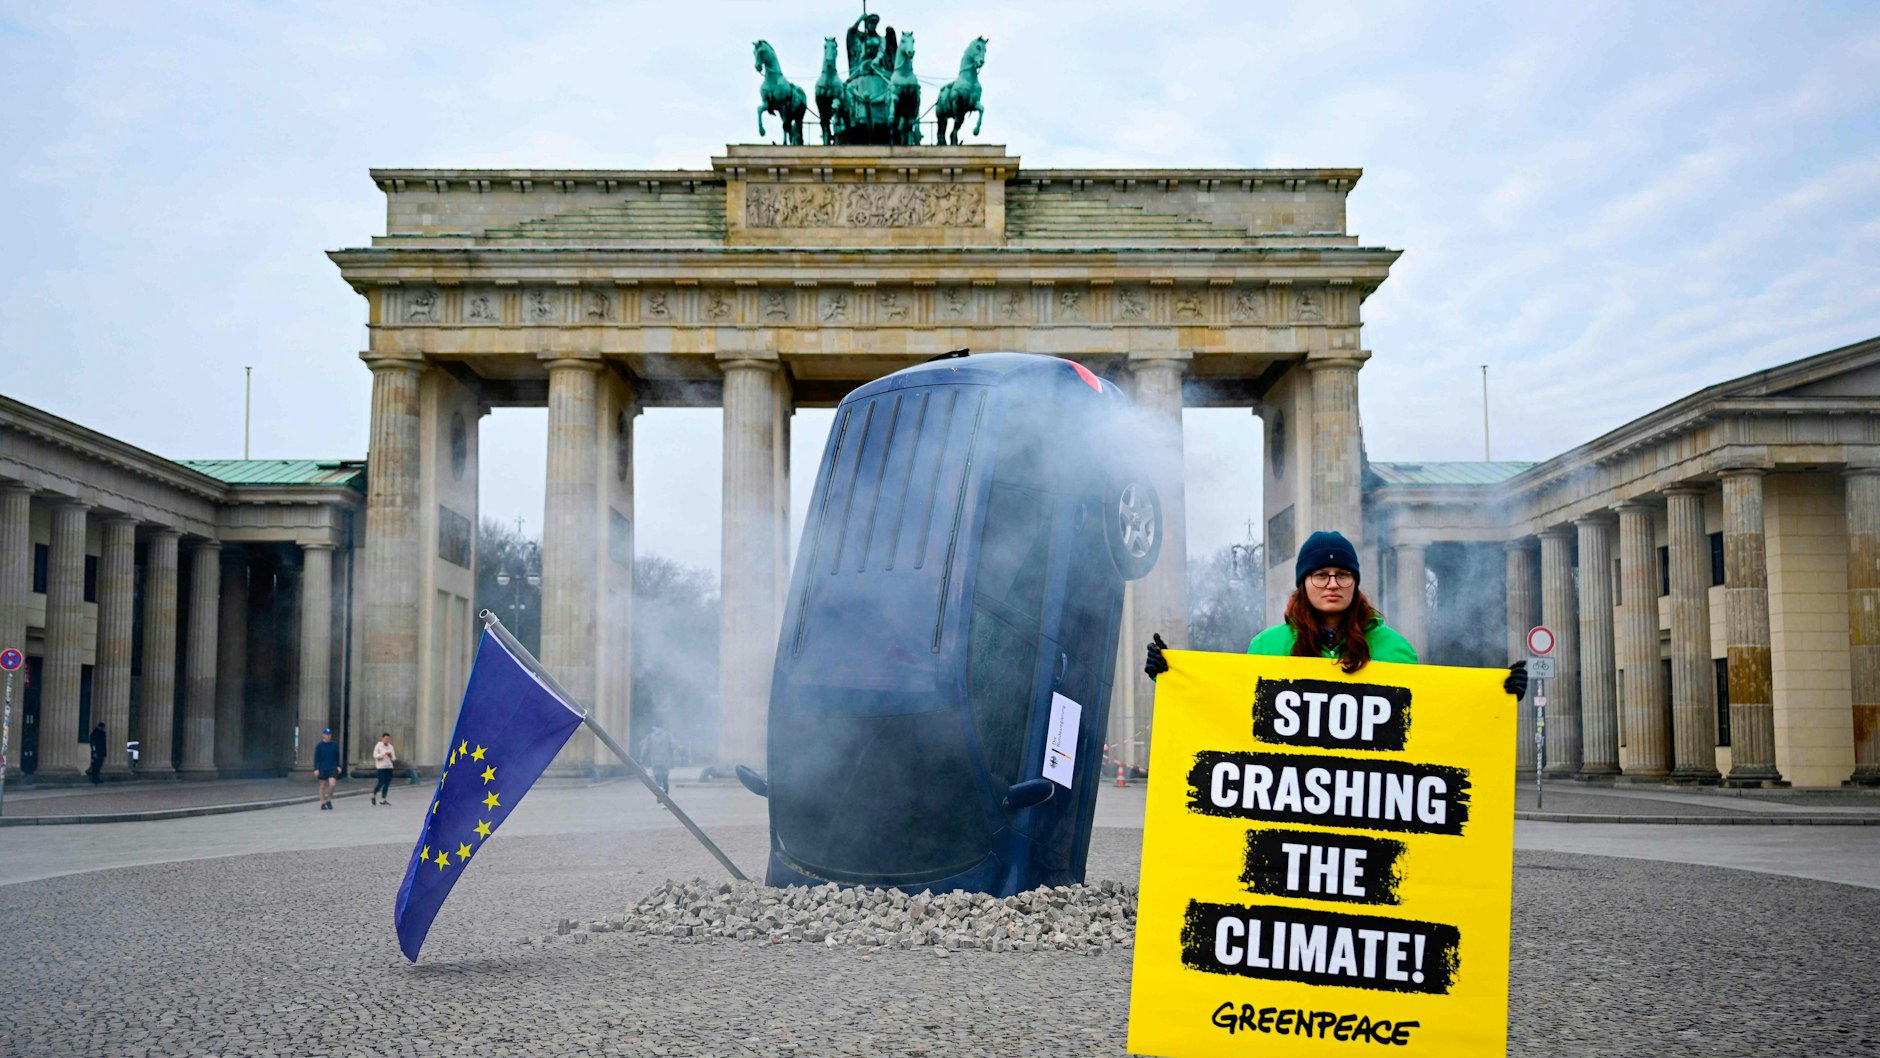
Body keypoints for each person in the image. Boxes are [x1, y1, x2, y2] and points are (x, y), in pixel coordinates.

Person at [1146, 530, 1527, 698]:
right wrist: (1172, 677)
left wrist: (1496, 694)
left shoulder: (1395, 648)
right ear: (1303, 583)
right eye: (1321, 575)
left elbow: (1429, 716)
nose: (1332, 584)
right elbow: (1229, 706)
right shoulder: (1267, 646)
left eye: (1343, 574)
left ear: (1355, 582)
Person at [639, 717, 676, 798]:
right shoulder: (668, 735)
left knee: (657, 779)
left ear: (654, 726)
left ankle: (659, 796)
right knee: (665, 779)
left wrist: (642, 759)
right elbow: (673, 746)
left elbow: (644, 748)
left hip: (654, 761)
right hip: (665, 760)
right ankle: (666, 796)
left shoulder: (650, 737)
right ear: (662, 726)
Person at [313, 728, 342, 810]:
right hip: (322, 767)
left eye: (330, 734)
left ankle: (329, 800)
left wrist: (338, 766)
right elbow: (316, 758)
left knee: (332, 785)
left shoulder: (334, 745)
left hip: (332, 767)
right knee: (322, 786)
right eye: (327, 734)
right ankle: (322, 802)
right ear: (323, 735)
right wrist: (316, 768)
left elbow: (337, 756)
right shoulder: (319, 746)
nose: (328, 736)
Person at [371, 732, 396, 805]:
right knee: (381, 782)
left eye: (388, 739)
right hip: (381, 767)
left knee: (387, 783)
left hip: (389, 767)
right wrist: (383, 754)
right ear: (382, 739)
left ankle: (383, 799)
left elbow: (394, 758)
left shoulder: (391, 747)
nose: (387, 740)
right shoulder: (378, 746)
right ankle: (373, 794)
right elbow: (375, 756)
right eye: (385, 739)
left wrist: (391, 756)